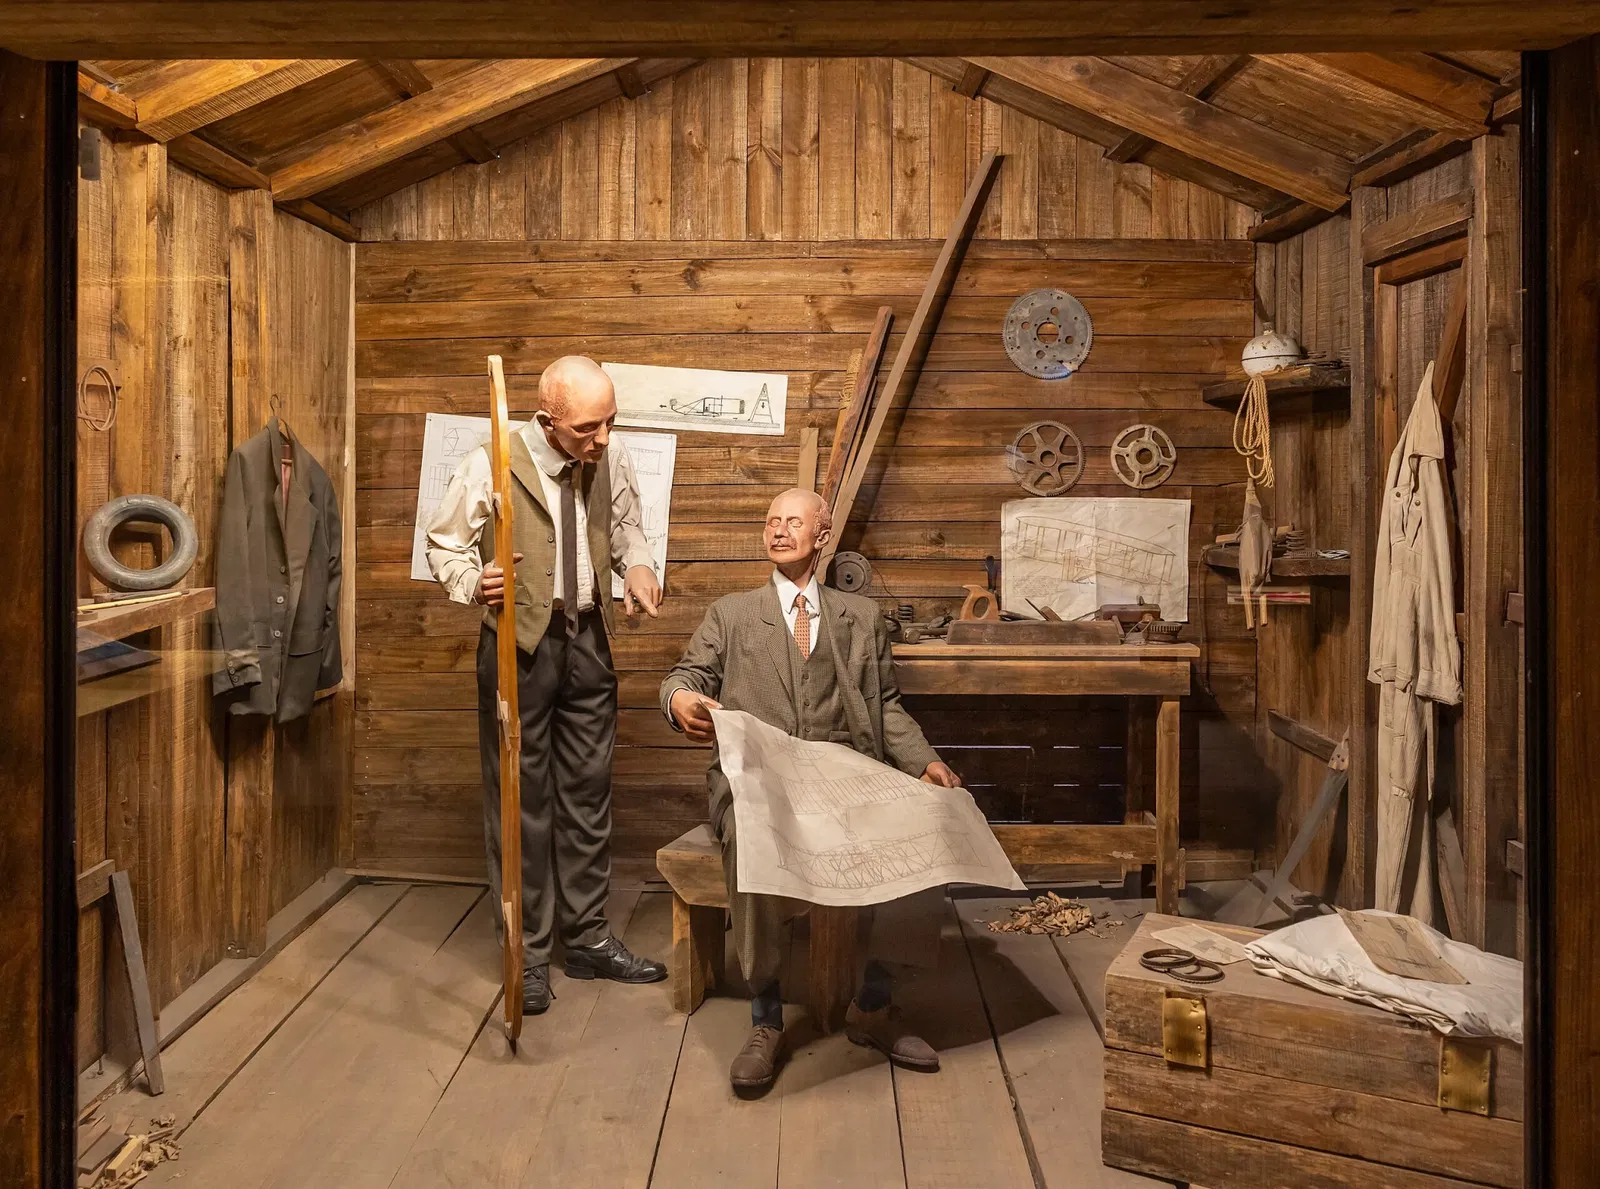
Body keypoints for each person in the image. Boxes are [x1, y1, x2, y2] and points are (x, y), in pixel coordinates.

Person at [659, 488, 961, 1094]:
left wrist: (925, 762)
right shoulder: (732, 614)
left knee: (928, 822)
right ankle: (766, 1015)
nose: (778, 530)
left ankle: (873, 1003)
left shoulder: (861, 618)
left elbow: (887, 705)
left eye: (793, 521)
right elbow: (686, 675)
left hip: (844, 777)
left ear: (822, 536)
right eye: (771, 521)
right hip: (758, 779)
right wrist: (681, 699)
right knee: (752, 833)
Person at [426, 355, 668, 1014]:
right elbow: (444, 544)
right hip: (519, 647)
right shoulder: (493, 460)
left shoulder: (608, 457)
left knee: (588, 793)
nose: (604, 438)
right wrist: (474, 581)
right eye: (589, 427)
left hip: (587, 640)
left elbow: (628, 530)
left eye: (611, 421)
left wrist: (638, 566)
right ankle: (527, 953)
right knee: (521, 802)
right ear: (546, 421)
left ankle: (586, 938)